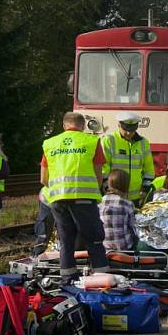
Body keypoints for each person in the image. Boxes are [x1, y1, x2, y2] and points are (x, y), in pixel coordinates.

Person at [41, 111, 110, 283]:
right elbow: (98, 174)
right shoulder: (92, 141)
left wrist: (60, 190)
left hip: (58, 199)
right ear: (83, 126)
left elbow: (43, 179)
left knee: (66, 240)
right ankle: (101, 277)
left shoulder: (50, 143)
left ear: (64, 125)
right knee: (93, 238)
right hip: (84, 198)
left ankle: (67, 277)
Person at [102, 111, 155, 206]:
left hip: (136, 197)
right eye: (126, 129)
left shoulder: (144, 143)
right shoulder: (109, 140)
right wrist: (107, 188)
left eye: (132, 130)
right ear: (119, 125)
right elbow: (104, 167)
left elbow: (148, 168)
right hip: (114, 194)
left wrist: (146, 189)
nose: (129, 133)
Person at [99, 169, 138, 252]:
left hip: (104, 248)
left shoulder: (99, 202)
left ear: (109, 184)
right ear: (126, 185)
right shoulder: (128, 204)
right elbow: (134, 228)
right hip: (125, 248)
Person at [32, 186, 54, 256]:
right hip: (49, 198)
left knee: (43, 231)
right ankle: (38, 254)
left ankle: (38, 253)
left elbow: (43, 180)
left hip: (50, 197)